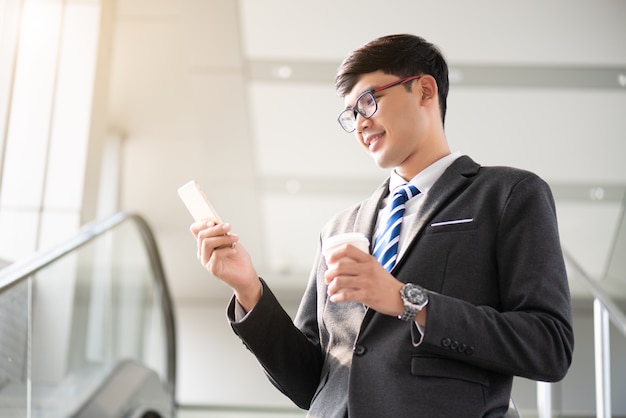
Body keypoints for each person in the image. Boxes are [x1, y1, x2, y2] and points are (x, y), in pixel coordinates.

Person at [190, 34, 574, 417]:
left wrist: (408, 301)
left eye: (369, 101)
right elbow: (312, 382)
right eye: (351, 114)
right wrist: (249, 290)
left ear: (424, 90)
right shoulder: (339, 228)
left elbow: (549, 345)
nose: (360, 123)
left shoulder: (507, 194)